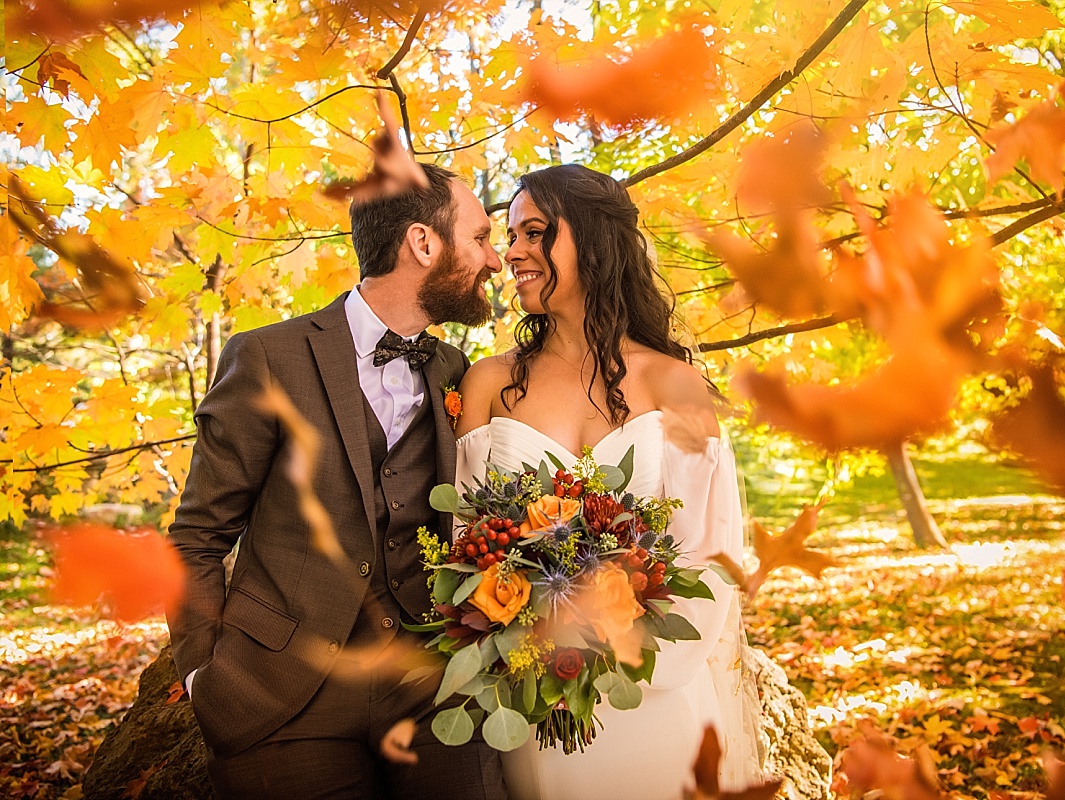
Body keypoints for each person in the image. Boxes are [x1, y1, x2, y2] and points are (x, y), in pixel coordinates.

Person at [167, 163, 508, 800]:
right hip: (285, 697)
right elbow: (197, 536)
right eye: (482, 237)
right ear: (423, 243)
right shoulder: (269, 357)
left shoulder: (458, 370)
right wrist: (201, 676)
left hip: (432, 687)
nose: (495, 259)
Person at [453, 164, 764, 800]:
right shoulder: (486, 385)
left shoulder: (675, 385)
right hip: (539, 701)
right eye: (510, 236)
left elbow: (714, 555)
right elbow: (464, 544)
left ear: (594, 239)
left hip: (660, 696)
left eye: (535, 233)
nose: (513, 253)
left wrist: (621, 655)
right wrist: (530, 649)